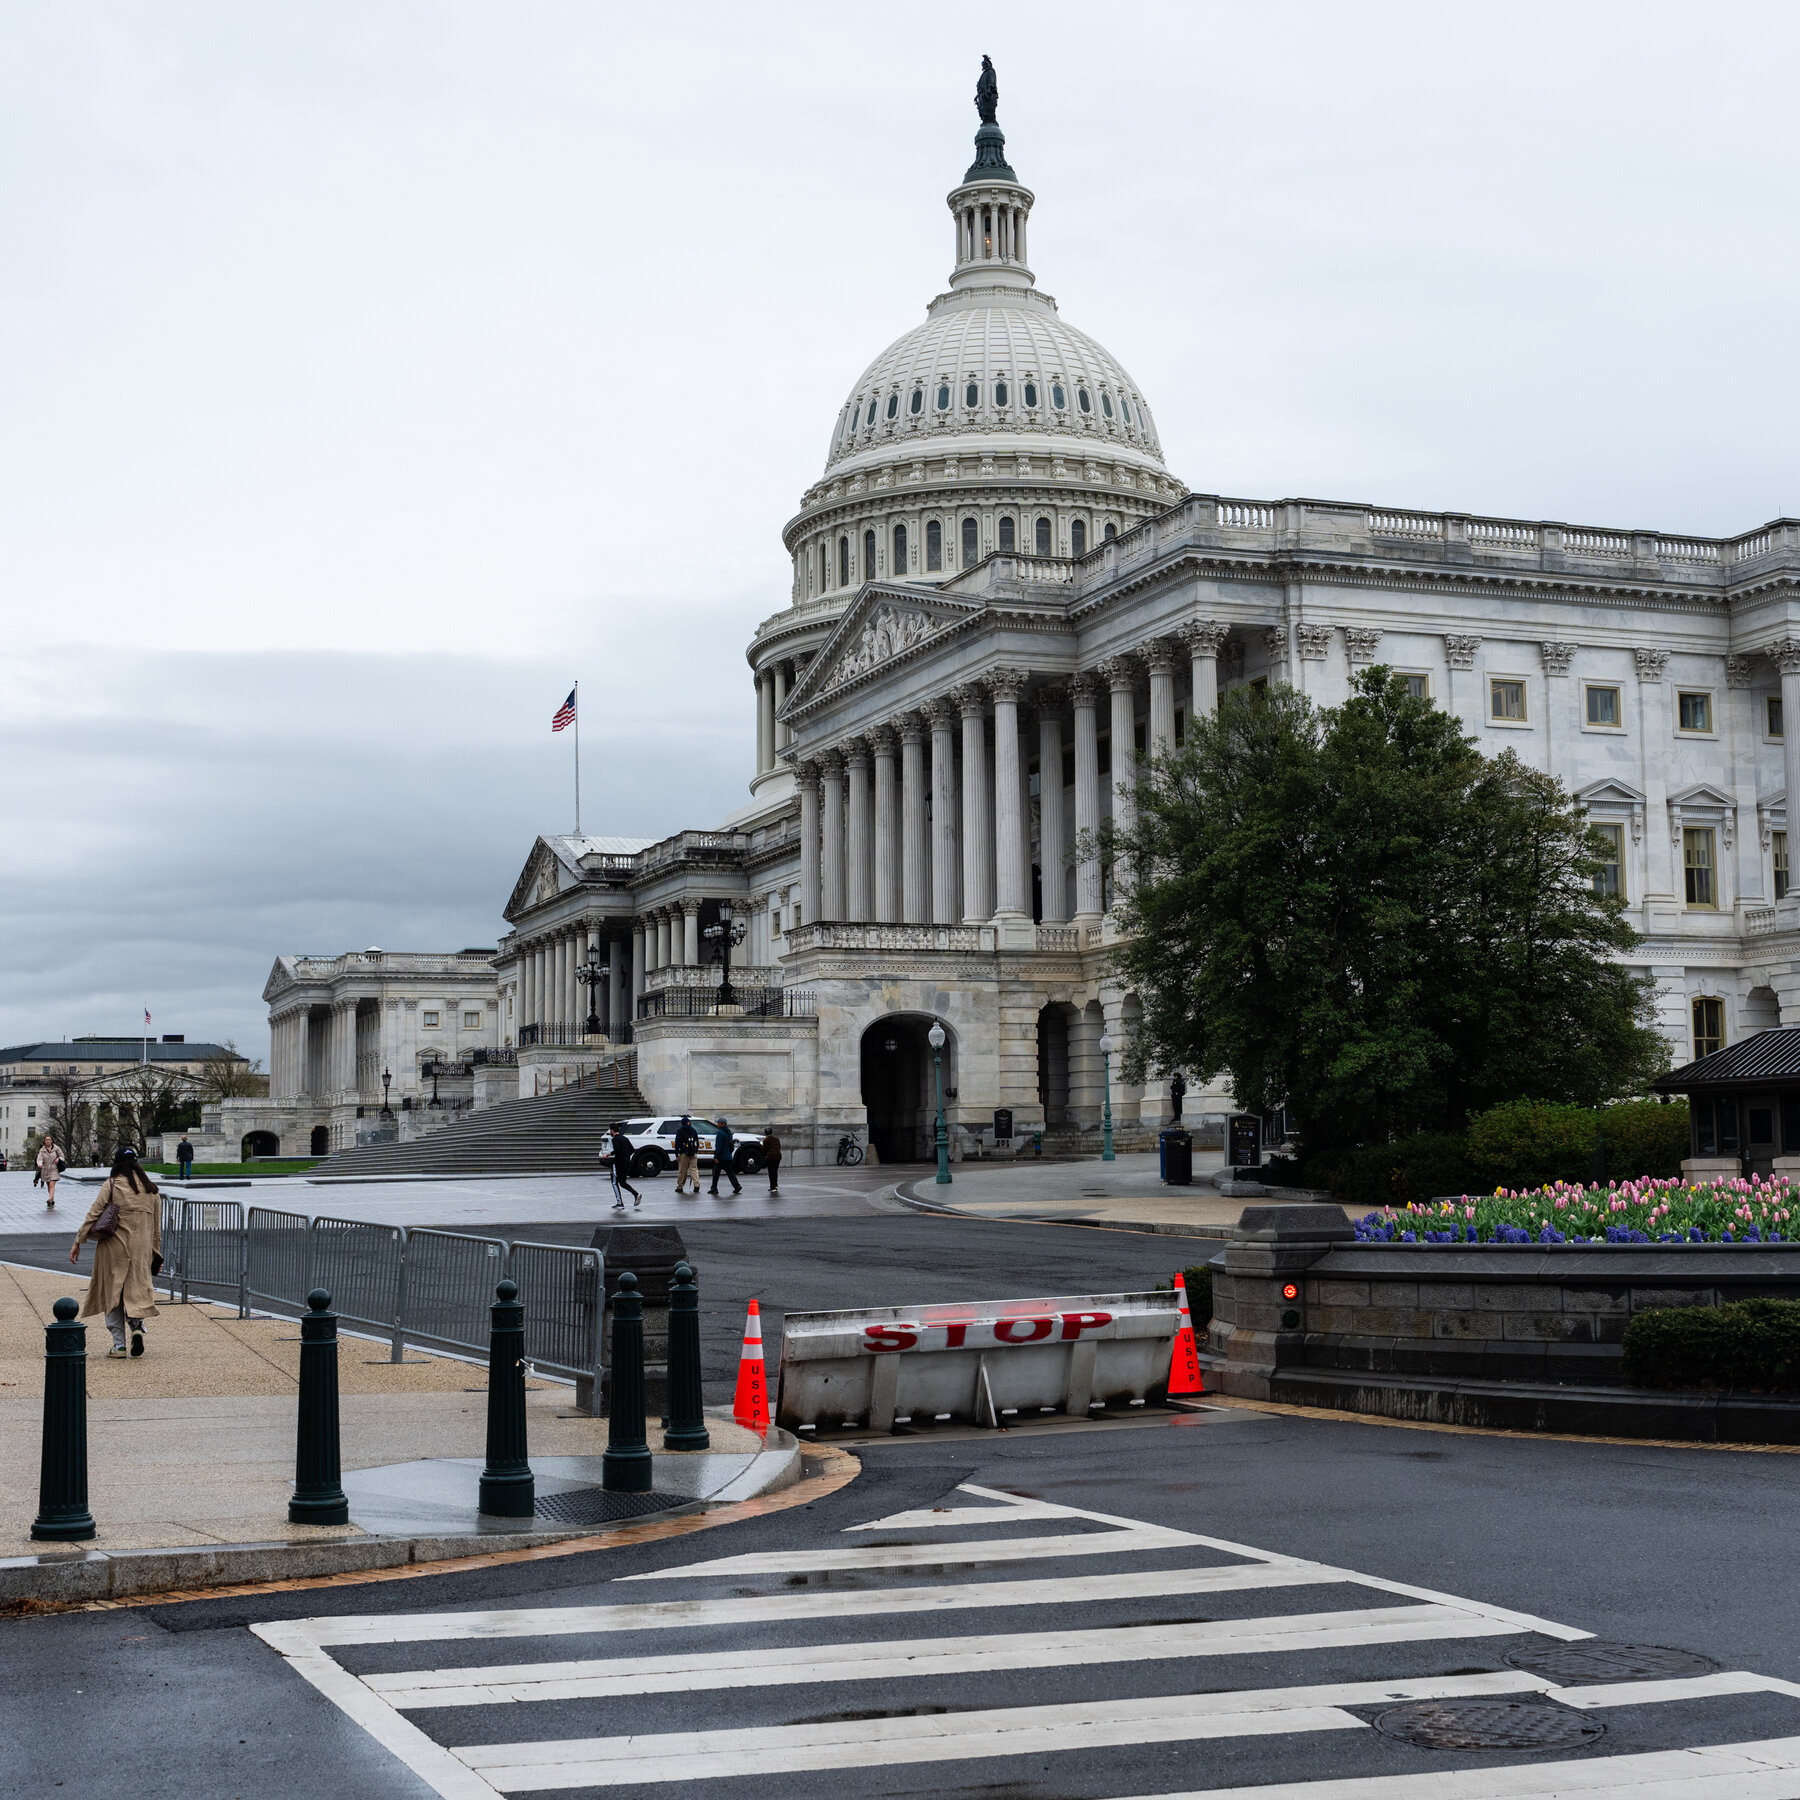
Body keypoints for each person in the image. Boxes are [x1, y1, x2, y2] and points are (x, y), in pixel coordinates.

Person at [70, 1145, 161, 1358]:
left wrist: (78, 1241)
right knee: (136, 1290)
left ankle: (118, 1345)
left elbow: (93, 1214)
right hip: (141, 1250)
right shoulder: (151, 1190)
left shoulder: (112, 1185)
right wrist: (156, 1254)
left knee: (112, 1293)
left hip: (113, 1249)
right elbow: (156, 1229)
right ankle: (137, 1326)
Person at [607, 1121, 642, 1210]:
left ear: (612, 1130)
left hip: (618, 1164)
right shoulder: (625, 1138)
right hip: (626, 1163)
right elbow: (632, 1150)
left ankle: (620, 1202)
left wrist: (610, 1154)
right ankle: (636, 1194)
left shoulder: (615, 1139)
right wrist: (625, 1157)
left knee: (614, 1182)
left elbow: (617, 1151)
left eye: (610, 1130)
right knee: (622, 1183)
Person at [709, 1116, 742, 1196]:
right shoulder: (728, 1132)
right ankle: (737, 1186)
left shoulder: (720, 1133)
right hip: (728, 1156)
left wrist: (716, 1157)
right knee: (730, 1172)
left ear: (722, 1124)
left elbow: (719, 1146)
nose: (717, 1124)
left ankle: (714, 1188)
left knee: (716, 1173)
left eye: (719, 1123)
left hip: (721, 1157)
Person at [672, 1114, 701, 1195]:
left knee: (682, 1170)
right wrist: (695, 1151)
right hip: (693, 1153)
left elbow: (677, 1143)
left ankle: (680, 1187)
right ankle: (696, 1185)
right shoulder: (694, 1130)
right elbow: (697, 1142)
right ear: (688, 1122)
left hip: (683, 1153)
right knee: (694, 1169)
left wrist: (677, 1154)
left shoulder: (680, 1131)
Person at [35, 1131, 64, 1209]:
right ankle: (52, 1201)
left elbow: (62, 1156)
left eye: (49, 1139)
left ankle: (50, 1199)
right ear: (44, 1141)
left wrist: (58, 1159)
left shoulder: (56, 1148)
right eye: (46, 1140)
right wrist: (40, 1164)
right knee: (49, 1186)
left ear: (51, 1141)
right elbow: (39, 1159)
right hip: (45, 1170)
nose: (47, 1141)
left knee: (52, 1184)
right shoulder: (42, 1150)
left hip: (54, 1169)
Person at [761, 1125, 782, 1194]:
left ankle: (772, 1187)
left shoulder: (766, 1140)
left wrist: (764, 1156)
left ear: (765, 1133)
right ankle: (775, 1185)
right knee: (775, 1172)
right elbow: (779, 1147)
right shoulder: (776, 1138)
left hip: (770, 1157)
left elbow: (764, 1150)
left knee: (771, 1172)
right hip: (778, 1157)